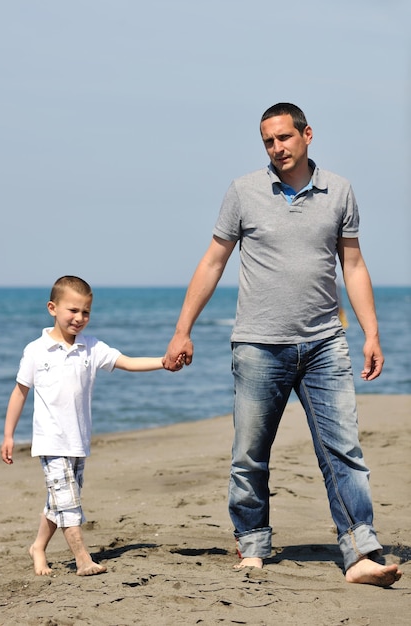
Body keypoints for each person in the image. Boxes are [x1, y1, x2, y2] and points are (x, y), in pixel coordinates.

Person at [163, 103, 402, 587]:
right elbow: (214, 261)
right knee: (250, 453)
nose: (277, 148)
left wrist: (371, 332)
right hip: (257, 345)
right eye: (268, 142)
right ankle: (252, 543)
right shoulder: (243, 192)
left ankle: (360, 552)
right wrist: (182, 328)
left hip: (324, 343)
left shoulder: (340, 191)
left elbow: (352, 265)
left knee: (343, 450)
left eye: (284, 138)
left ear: (307, 134)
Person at [1, 275, 184, 577]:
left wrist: (163, 362)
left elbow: (126, 361)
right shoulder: (36, 350)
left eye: (85, 312)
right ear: (52, 308)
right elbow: (20, 392)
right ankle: (82, 559)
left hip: (79, 441)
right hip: (51, 441)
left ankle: (37, 547)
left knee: (59, 500)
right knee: (68, 503)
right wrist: (8, 435)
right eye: (72, 310)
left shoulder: (91, 347)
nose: (79, 318)